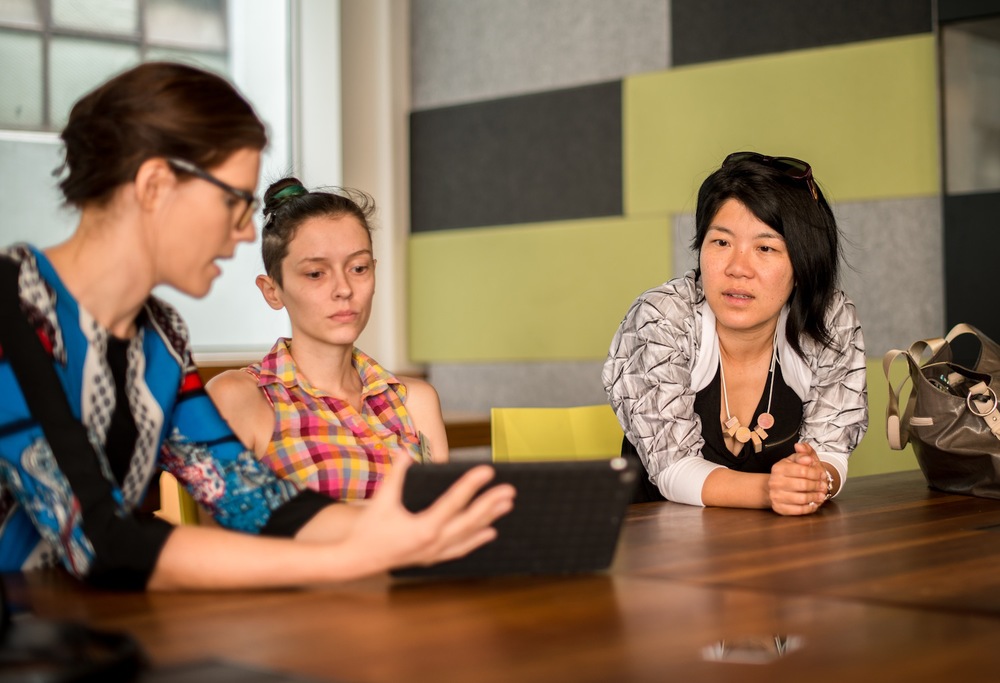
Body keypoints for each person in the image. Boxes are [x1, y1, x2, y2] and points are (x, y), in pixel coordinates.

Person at [0, 62, 514, 590]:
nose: (247, 233)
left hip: (80, 636)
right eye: (234, 202)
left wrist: (419, 530)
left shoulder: (160, 336)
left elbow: (249, 495)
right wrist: (347, 558)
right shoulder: (12, 311)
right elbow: (99, 542)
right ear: (155, 185)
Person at [602, 151, 867, 516]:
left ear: (805, 261)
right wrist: (771, 491)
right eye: (721, 242)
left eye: (765, 247)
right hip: (660, 550)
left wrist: (815, 479)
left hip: (778, 553)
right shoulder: (662, 318)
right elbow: (672, 468)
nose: (738, 268)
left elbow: (831, 450)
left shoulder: (827, 319)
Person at [205, 180, 447, 501]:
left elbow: (447, 526)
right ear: (272, 290)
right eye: (316, 274)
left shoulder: (414, 401)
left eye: (358, 268)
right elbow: (222, 541)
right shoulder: (240, 398)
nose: (344, 289)